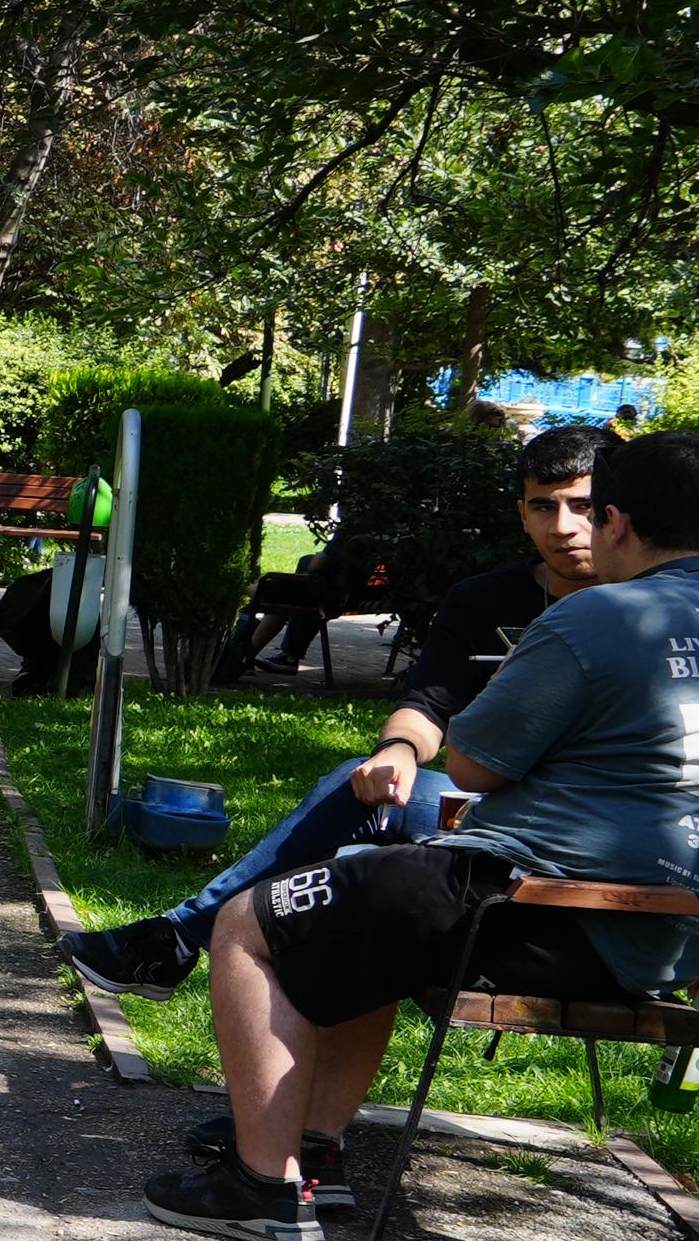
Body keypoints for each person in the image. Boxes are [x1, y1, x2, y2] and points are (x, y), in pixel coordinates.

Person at [144, 426, 699, 1241]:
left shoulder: (597, 615)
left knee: (250, 922)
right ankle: (312, 1150)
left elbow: (473, 760)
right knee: (371, 891)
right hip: (677, 937)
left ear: (618, 522)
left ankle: (260, 1189)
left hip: (541, 910)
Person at [65, 423, 608, 1040]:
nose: (563, 526)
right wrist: (397, 751)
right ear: (521, 512)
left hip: (583, 835)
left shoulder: (645, 612)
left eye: (582, 505)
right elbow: (428, 703)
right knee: (359, 795)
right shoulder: (485, 600)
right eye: (545, 505)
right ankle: (294, 1116)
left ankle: (180, 943)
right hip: (482, 809)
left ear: (616, 509)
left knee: (355, 890)